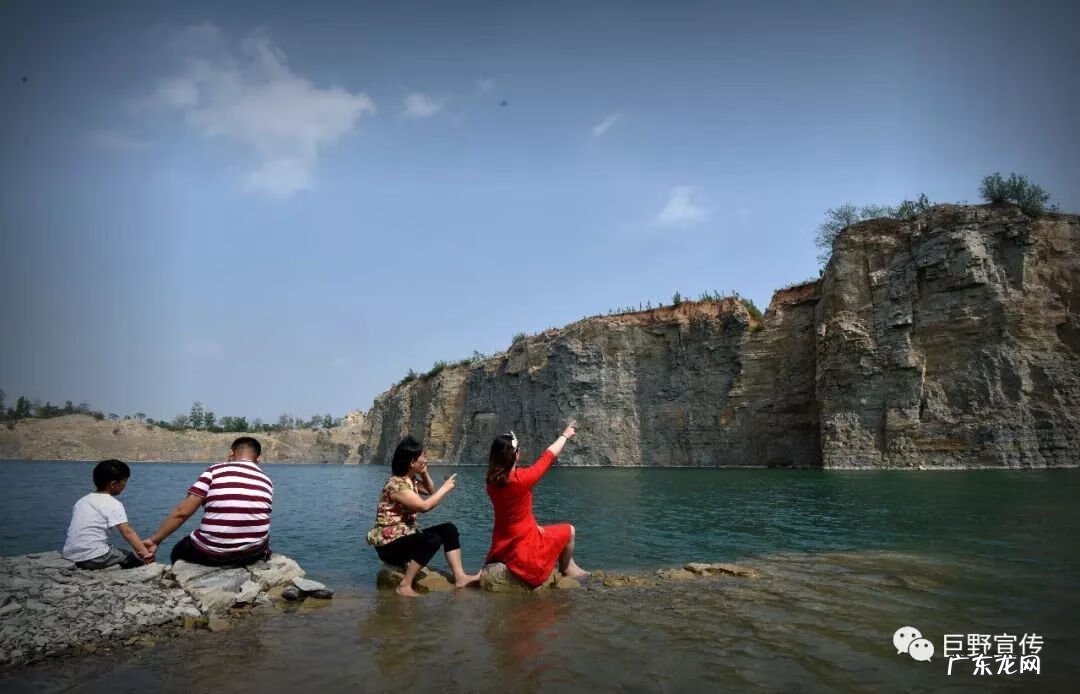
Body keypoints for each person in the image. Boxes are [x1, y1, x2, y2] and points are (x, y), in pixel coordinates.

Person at [366, 435, 480, 597]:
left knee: (449, 529)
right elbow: (423, 506)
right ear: (412, 462)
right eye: (423, 457)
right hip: (389, 545)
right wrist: (446, 488)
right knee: (432, 539)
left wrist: (424, 471)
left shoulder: (410, 480)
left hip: (405, 536)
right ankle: (405, 585)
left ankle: (460, 577)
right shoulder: (396, 484)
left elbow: (430, 490)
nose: (426, 459)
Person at [485, 421, 588, 587]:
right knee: (570, 530)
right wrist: (565, 435)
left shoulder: (491, 482)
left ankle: (569, 567)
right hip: (522, 544)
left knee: (545, 530)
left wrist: (533, 525)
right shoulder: (521, 479)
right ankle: (567, 568)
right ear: (516, 454)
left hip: (503, 545)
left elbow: (514, 513)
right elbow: (548, 456)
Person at [144, 436, 273, 567]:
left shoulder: (215, 471)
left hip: (212, 554)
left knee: (178, 550)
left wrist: (155, 541)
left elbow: (182, 512)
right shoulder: (266, 480)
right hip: (252, 554)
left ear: (231, 453)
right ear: (258, 459)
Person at [62, 459, 154, 570]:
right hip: (94, 557)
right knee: (131, 557)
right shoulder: (113, 504)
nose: (125, 485)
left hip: (70, 555)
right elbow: (127, 532)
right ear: (113, 484)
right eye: (124, 481)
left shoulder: (81, 501)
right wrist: (145, 553)